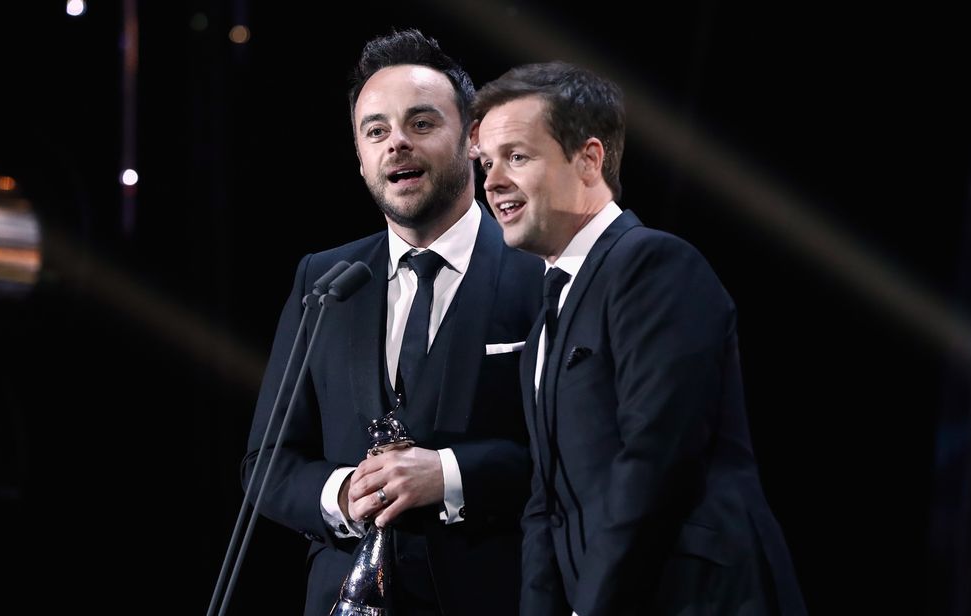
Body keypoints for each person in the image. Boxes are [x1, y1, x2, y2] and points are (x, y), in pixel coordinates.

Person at [473, 61, 808, 615]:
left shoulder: (653, 264)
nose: (492, 181)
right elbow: (545, 505)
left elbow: (656, 457)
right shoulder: (543, 325)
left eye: (516, 156)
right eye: (487, 162)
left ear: (589, 160)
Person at [242, 29, 542, 615]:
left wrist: (450, 476)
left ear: (472, 140)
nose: (396, 143)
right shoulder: (324, 280)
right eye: (375, 131)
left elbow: (579, 458)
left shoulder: (538, 271)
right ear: (359, 159)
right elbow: (268, 463)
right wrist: (343, 494)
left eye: (422, 124)